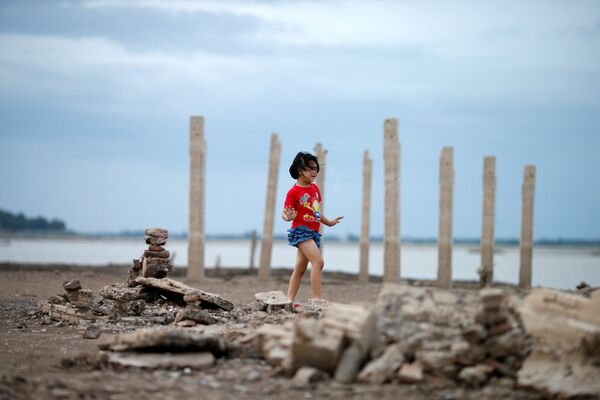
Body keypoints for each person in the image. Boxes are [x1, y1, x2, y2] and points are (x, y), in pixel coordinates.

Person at [282, 151, 344, 304]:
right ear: (299, 170)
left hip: (314, 232)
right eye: (310, 168)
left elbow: (315, 212)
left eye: (316, 168)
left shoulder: (314, 189)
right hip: (301, 231)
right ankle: (318, 299)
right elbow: (285, 213)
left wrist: (328, 222)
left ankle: (288, 301)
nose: (314, 171)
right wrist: (288, 217)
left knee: (300, 269)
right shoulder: (293, 192)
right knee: (318, 262)